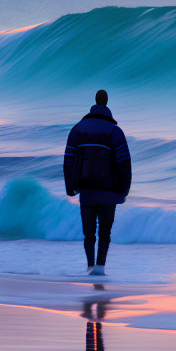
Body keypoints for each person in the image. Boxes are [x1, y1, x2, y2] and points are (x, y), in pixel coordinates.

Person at [63, 89, 132, 276]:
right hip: (110, 192)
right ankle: (101, 267)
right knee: (105, 234)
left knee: (89, 234)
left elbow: (68, 161)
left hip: (86, 191)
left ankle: (89, 266)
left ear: (94, 103)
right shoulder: (115, 131)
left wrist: (69, 187)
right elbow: (125, 163)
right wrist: (124, 190)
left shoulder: (78, 129)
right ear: (107, 102)